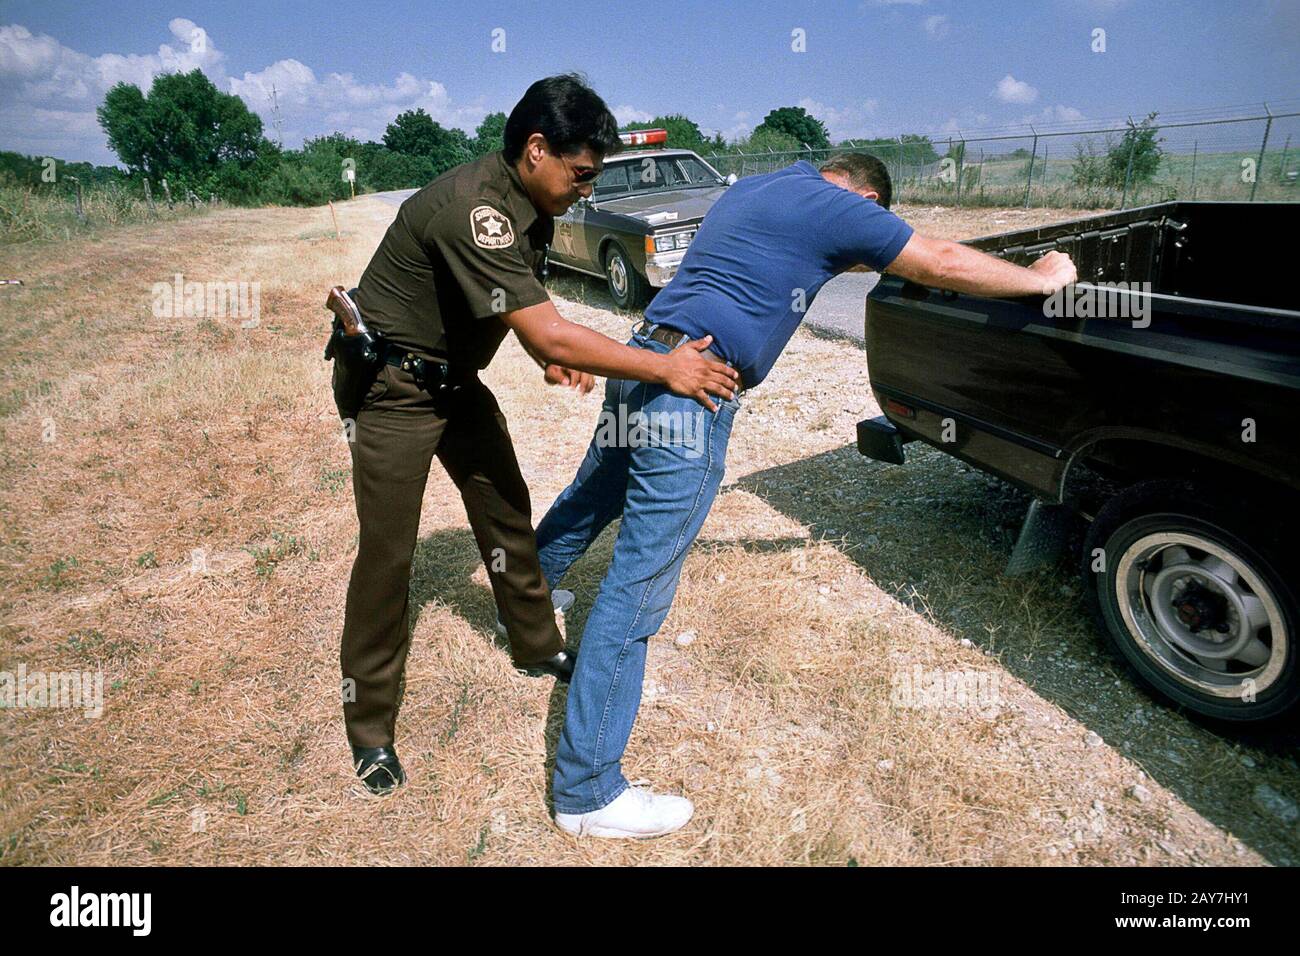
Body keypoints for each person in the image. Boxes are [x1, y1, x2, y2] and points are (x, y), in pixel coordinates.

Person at [535, 152, 1078, 837]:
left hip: (643, 360)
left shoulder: (757, 188)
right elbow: (935, 260)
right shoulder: (842, 208)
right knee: (635, 588)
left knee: (591, 496)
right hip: (695, 383)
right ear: (870, 198)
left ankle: (522, 608)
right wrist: (1038, 279)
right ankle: (587, 793)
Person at [333, 74, 739, 794]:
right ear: (536, 149)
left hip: (456, 384)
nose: (586, 189)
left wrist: (546, 356)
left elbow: (512, 306)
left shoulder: (534, 206)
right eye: (580, 174)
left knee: (506, 514)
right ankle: (369, 728)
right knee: (387, 557)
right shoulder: (477, 210)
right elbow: (547, 322)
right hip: (395, 391)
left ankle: (535, 646)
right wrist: (663, 367)